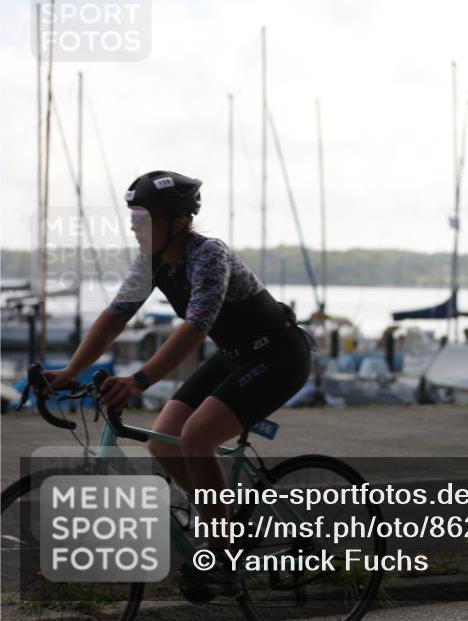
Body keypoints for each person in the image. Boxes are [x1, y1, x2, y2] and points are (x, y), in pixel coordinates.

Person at [41, 170, 312, 596]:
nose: (134, 225)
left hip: (278, 355)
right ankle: (220, 517)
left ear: (178, 221)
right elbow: (116, 315)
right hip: (235, 357)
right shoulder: (152, 263)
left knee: (197, 436)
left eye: (143, 218)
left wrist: (139, 380)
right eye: (132, 216)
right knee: (163, 440)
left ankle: (223, 560)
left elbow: (195, 327)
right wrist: (71, 370)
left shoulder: (209, 255)